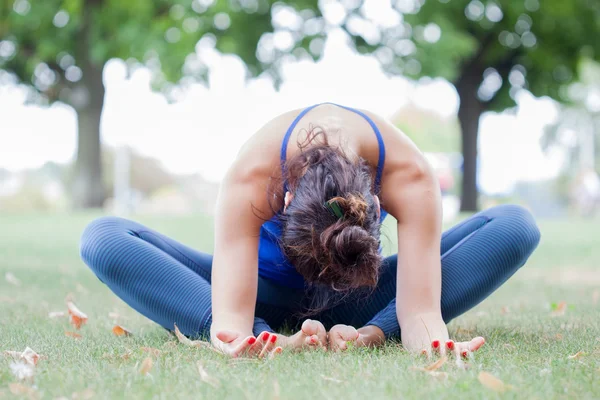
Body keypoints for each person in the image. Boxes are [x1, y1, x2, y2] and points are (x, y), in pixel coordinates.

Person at [80, 102, 540, 359]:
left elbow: (420, 310)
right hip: (256, 292)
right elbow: (230, 320)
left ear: (375, 203)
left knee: (515, 225)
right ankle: (275, 334)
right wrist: (251, 337)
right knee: (104, 238)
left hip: (366, 301)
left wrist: (411, 337)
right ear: (285, 198)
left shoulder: (411, 175)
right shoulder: (251, 175)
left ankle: (371, 333)